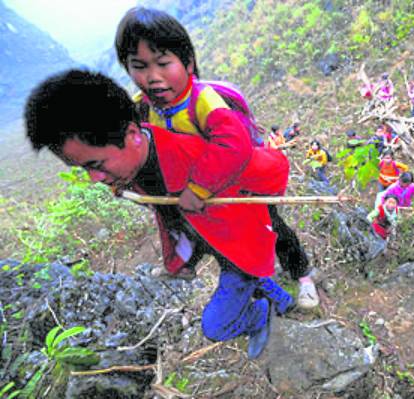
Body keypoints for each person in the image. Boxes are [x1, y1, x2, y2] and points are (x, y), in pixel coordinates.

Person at [25, 70, 297, 359]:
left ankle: (259, 315)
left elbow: (265, 167)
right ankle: (283, 300)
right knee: (241, 267)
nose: (94, 178)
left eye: (97, 164)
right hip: (214, 241)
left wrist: (261, 208)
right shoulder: (135, 165)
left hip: (238, 243)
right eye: (84, 169)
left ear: (132, 135)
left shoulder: (194, 156)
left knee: (215, 326)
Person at [114, 7, 319, 309]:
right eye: (139, 66)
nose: (153, 77)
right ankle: (221, 275)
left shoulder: (204, 102)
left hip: (238, 185)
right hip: (198, 196)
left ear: (188, 61)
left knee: (270, 226)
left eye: (163, 63)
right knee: (210, 235)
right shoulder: (144, 108)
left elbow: (233, 145)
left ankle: (302, 275)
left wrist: (198, 188)